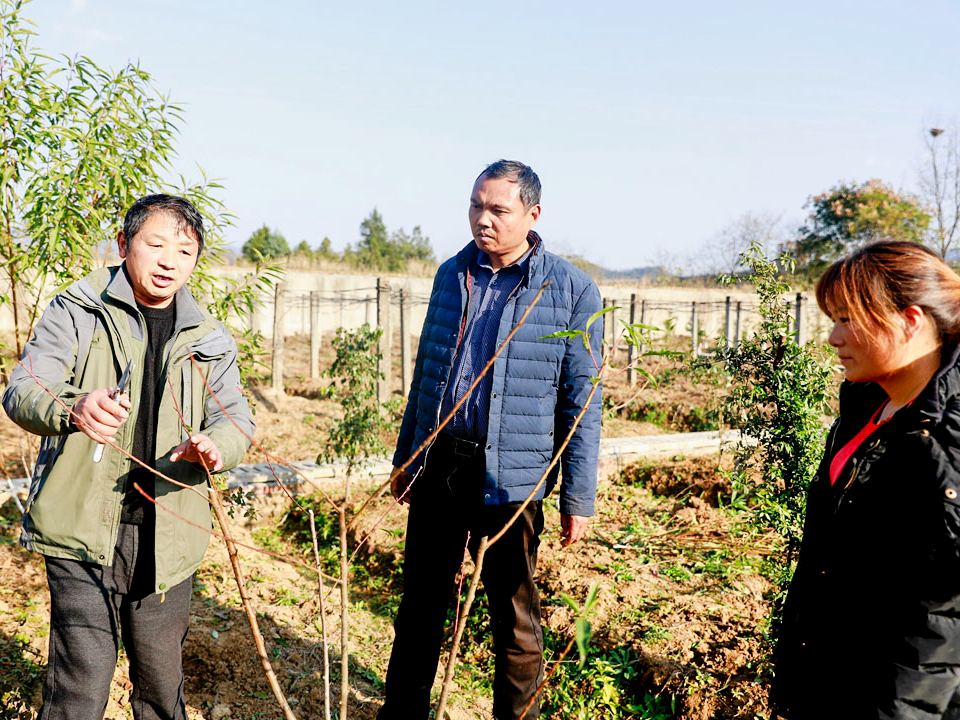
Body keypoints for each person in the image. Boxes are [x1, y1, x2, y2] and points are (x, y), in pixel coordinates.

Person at [3, 194, 255, 720]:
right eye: (155, 244)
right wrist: (74, 408)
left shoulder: (207, 336)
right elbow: (25, 389)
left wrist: (215, 446)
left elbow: (236, 419)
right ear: (123, 245)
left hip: (169, 531)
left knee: (162, 685)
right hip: (83, 524)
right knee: (82, 683)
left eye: (185, 251)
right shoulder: (78, 309)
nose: (169, 262)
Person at [377, 160, 603, 720]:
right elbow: (428, 374)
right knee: (421, 608)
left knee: (515, 616)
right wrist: (409, 456)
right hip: (442, 462)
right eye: (477, 205)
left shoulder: (569, 289)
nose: (484, 219)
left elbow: (583, 401)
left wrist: (578, 496)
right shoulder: (453, 273)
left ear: (532, 214)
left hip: (514, 476)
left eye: (498, 209)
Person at [772, 241, 960, 718]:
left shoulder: (947, 436)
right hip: (834, 674)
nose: (833, 337)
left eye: (847, 318)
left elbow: (940, 610)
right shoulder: (868, 407)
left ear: (910, 320)